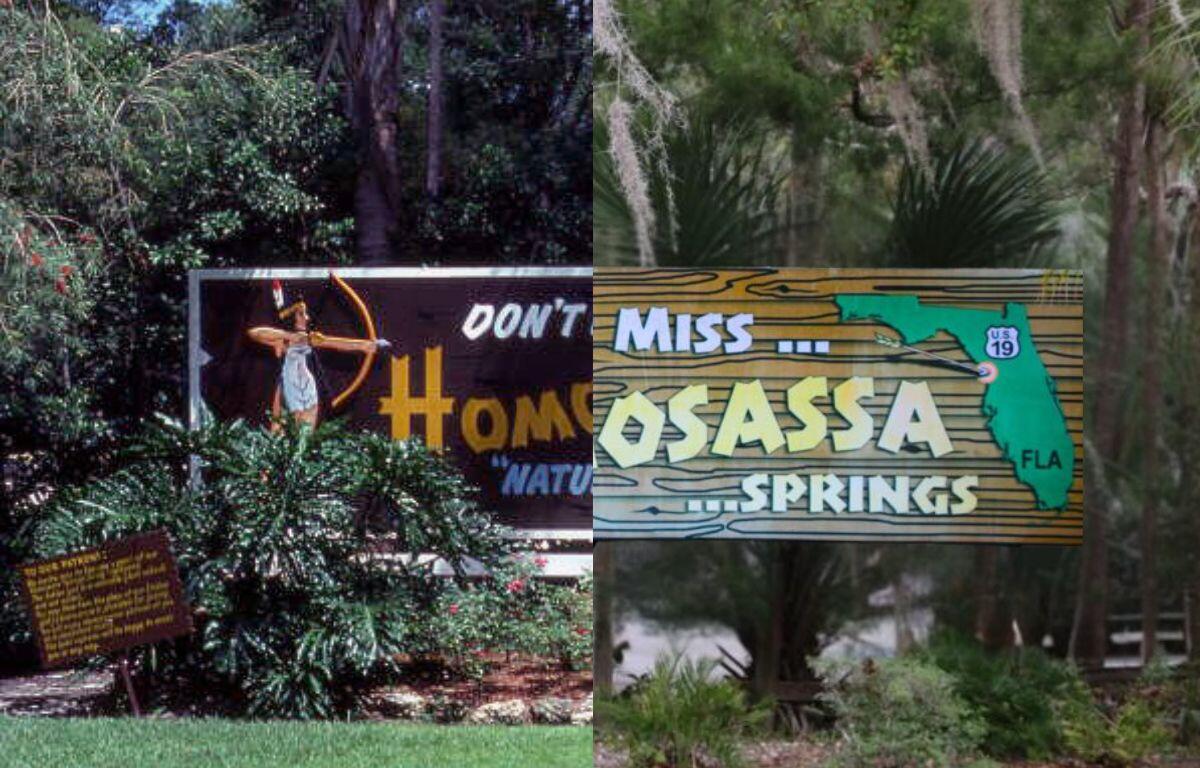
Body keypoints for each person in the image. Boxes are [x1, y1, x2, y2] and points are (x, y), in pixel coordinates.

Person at [247, 281, 390, 427]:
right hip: (287, 388)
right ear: (292, 317)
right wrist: (290, 336)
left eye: (306, 314)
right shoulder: (281, 342)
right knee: (279, 434)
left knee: (305, 437)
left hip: (308, 390)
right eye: (302, 314)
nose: (307, 318)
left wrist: (368, 346)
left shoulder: (311, 339)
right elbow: (254, 333)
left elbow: (337, 343)